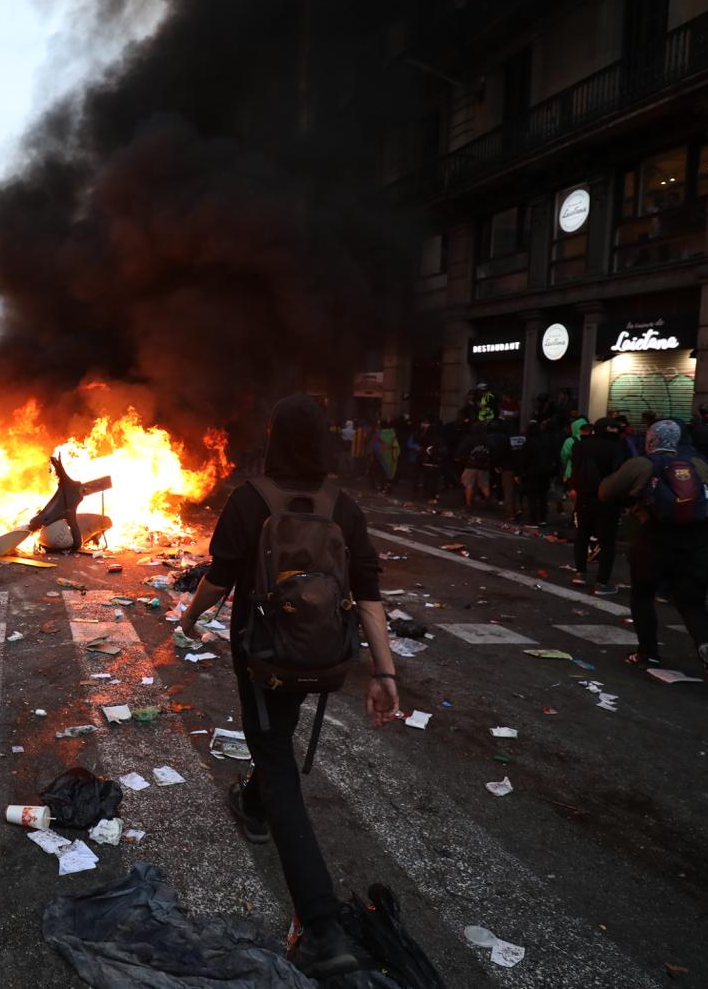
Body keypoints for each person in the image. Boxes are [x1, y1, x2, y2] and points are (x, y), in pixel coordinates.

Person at [177, 395, 398, 979]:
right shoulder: (342, 506)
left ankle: (321, 925)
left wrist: (189, 616)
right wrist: (383, 672)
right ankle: (253, 802)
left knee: (275, 755)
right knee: (278, 735)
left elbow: (219, 578)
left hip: (261, 653)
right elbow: (369, 591)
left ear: (273, 439)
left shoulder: (251, 500)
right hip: (322, 656)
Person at [600, 420, 708, 687]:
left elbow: (606, 492)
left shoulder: (642, 464)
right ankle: (706, 645)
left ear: (651, 440)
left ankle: (648, 653)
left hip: (654, 536)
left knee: (642, 594)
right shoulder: (698, 464)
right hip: (696, 540)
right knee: (692, 603)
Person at [568, 418, 627, 594]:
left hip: (584, 497)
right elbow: (622, 475)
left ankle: (580, 573)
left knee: (582, 535)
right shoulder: (618, 447)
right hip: (608, 498)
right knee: (607, 541)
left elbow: (575, 469)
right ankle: (602, 582)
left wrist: (573, 487)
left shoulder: (581, 446)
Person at [456, 422, 493, 512]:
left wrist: (462, 458)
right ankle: (488, 500)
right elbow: (492, 451)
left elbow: (461, 450)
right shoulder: (487, 439)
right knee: (484, 485)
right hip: (484, 466)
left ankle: (468, 504)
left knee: (469, 485)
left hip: (471, 465)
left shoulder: (470, 438)